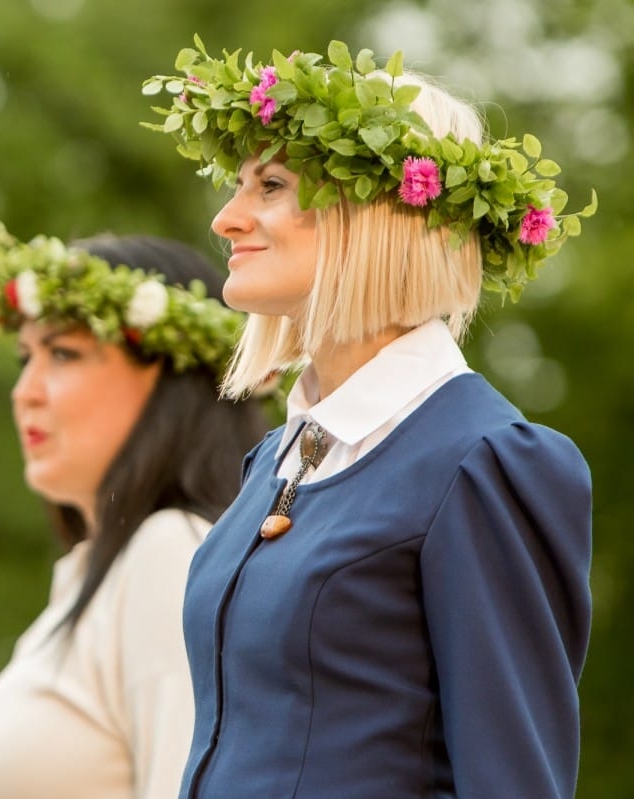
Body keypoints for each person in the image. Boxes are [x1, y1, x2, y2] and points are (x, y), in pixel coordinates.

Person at [142, 41, 597, 798]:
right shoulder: (274, 461)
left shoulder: (484, 461)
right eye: (237, 185)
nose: (227, 218)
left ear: (377, 213)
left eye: (272, 185)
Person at [0, 223, 268, 799]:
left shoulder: (171, 555)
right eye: (25, 358)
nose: (26, 392)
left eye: (63, 353)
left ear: (173, 380)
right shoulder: (92, 581)